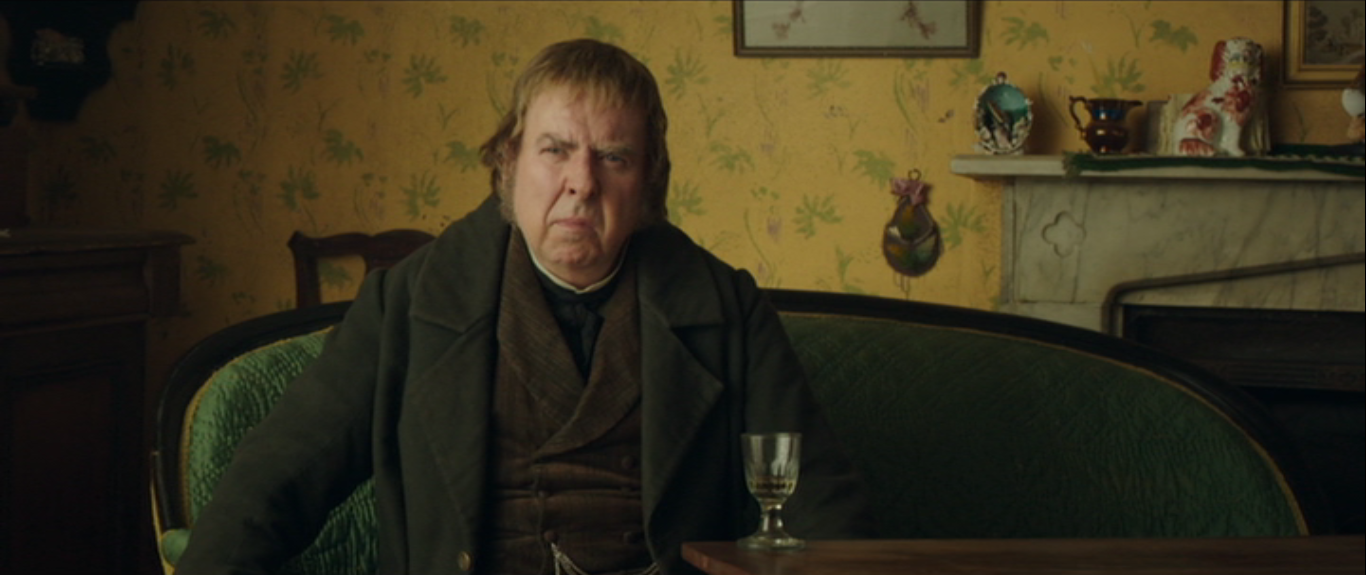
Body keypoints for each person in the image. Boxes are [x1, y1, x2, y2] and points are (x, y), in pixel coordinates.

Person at [176, 38, 874, 575]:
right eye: (556, 150)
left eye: (614, 157)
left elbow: (820, 506)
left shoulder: (725, 307)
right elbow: (276, 482)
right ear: (510, 162)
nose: (581, 183)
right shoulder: (410, 300)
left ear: (649, 181)